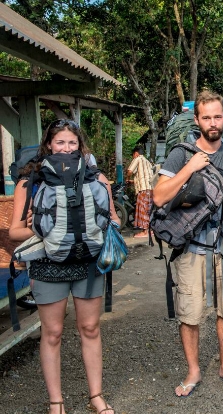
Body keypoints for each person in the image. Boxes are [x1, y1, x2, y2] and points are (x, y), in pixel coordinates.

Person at [9, 119, 120, 414]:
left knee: (90, 328)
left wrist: (98, 227)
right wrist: (48, 228)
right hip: (47, 264)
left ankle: (96, 396)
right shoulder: (30, 181)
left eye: (72, 143)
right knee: (53, 332)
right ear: (48, 145)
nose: (66, 148)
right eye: (60, 143)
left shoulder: (97, 178)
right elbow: (14, 231)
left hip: (87, 261)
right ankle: (55, 402)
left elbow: (115, 220)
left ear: (80, 147)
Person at [153, 90, 223, 396]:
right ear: (197, 120)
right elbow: (159, 196)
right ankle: (194, 371)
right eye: (207, 117)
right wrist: (190, 168)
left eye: (218, 116)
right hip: (190, 245)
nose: (213, 123)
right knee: (190, 310)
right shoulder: (180, 153)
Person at [126, 145, 154, 237]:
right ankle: (150, 230)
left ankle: (145, 231)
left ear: (136, 153)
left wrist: (127, 178)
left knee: (143, 209)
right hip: (150, 189)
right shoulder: (148, 162)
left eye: (133, 155)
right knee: (149, 209)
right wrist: (132, 181)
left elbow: (130, 170)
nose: (133, 157)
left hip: (143, 190)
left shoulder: (138, 159)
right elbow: (144, 177)